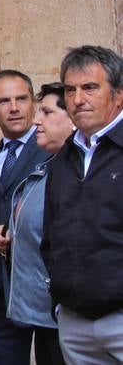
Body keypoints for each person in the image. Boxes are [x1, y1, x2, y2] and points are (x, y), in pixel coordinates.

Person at [42, 45, 123, 363]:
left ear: (118, 95)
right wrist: (61, 304)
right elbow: (51, 237)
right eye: (70, 89)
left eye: (90, 88)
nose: (78, 99)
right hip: (75, 322)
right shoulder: (63, 158)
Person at [0, 82, 72, 365]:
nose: (37, 120)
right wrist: (4, 235)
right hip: (40, 313)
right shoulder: (42, 172)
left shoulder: (83, 175)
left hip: (70, 313)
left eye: (47, 113)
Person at [0, 69, 51, 365]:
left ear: (33, 103)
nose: (15, 107)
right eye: (4, 101)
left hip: (42, 289)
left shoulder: (52, 151)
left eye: (22, 99)